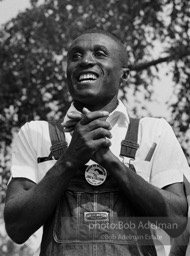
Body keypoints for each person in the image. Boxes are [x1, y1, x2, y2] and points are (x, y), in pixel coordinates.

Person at [4, 29, 190, 256]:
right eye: (75, 56)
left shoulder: (155, 132)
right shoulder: (35, 133)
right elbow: (16, 228)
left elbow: (176, 222)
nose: (86, 61)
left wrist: (111, 161)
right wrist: (70, 160)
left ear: (125, 75)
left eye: (100, 54)